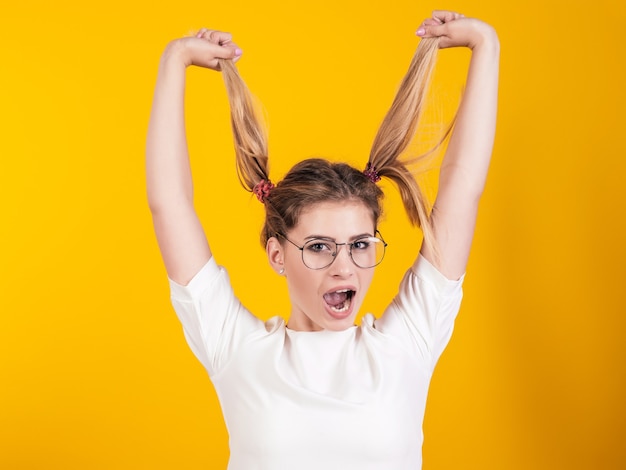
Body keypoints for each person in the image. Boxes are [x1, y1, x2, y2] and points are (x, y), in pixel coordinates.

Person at [147, 9, 499, 470]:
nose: (344, 266)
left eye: (359, 243)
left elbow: (463, 188)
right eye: (318, 247)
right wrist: (174, 61)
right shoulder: (236, 349)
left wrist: (486, 45)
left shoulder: (408, 342)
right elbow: (169, 203)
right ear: (277, 254)